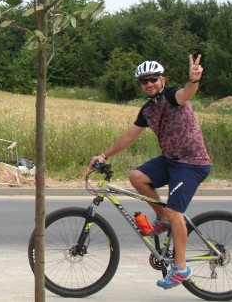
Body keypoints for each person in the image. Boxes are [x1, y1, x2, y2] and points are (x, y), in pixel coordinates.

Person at [89, 54, 211, 290]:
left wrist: (193, 80)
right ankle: (162, 219)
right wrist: (104, 155)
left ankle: (181, 267)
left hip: (192, 163)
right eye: (144, 82)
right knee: (137, 177)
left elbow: (185, 94)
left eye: (153, 79)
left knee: (176, 213)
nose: (149, 84)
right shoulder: (148, 110)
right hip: (170, 161)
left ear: (162, 79)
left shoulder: (170, 95)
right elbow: (128, 136)